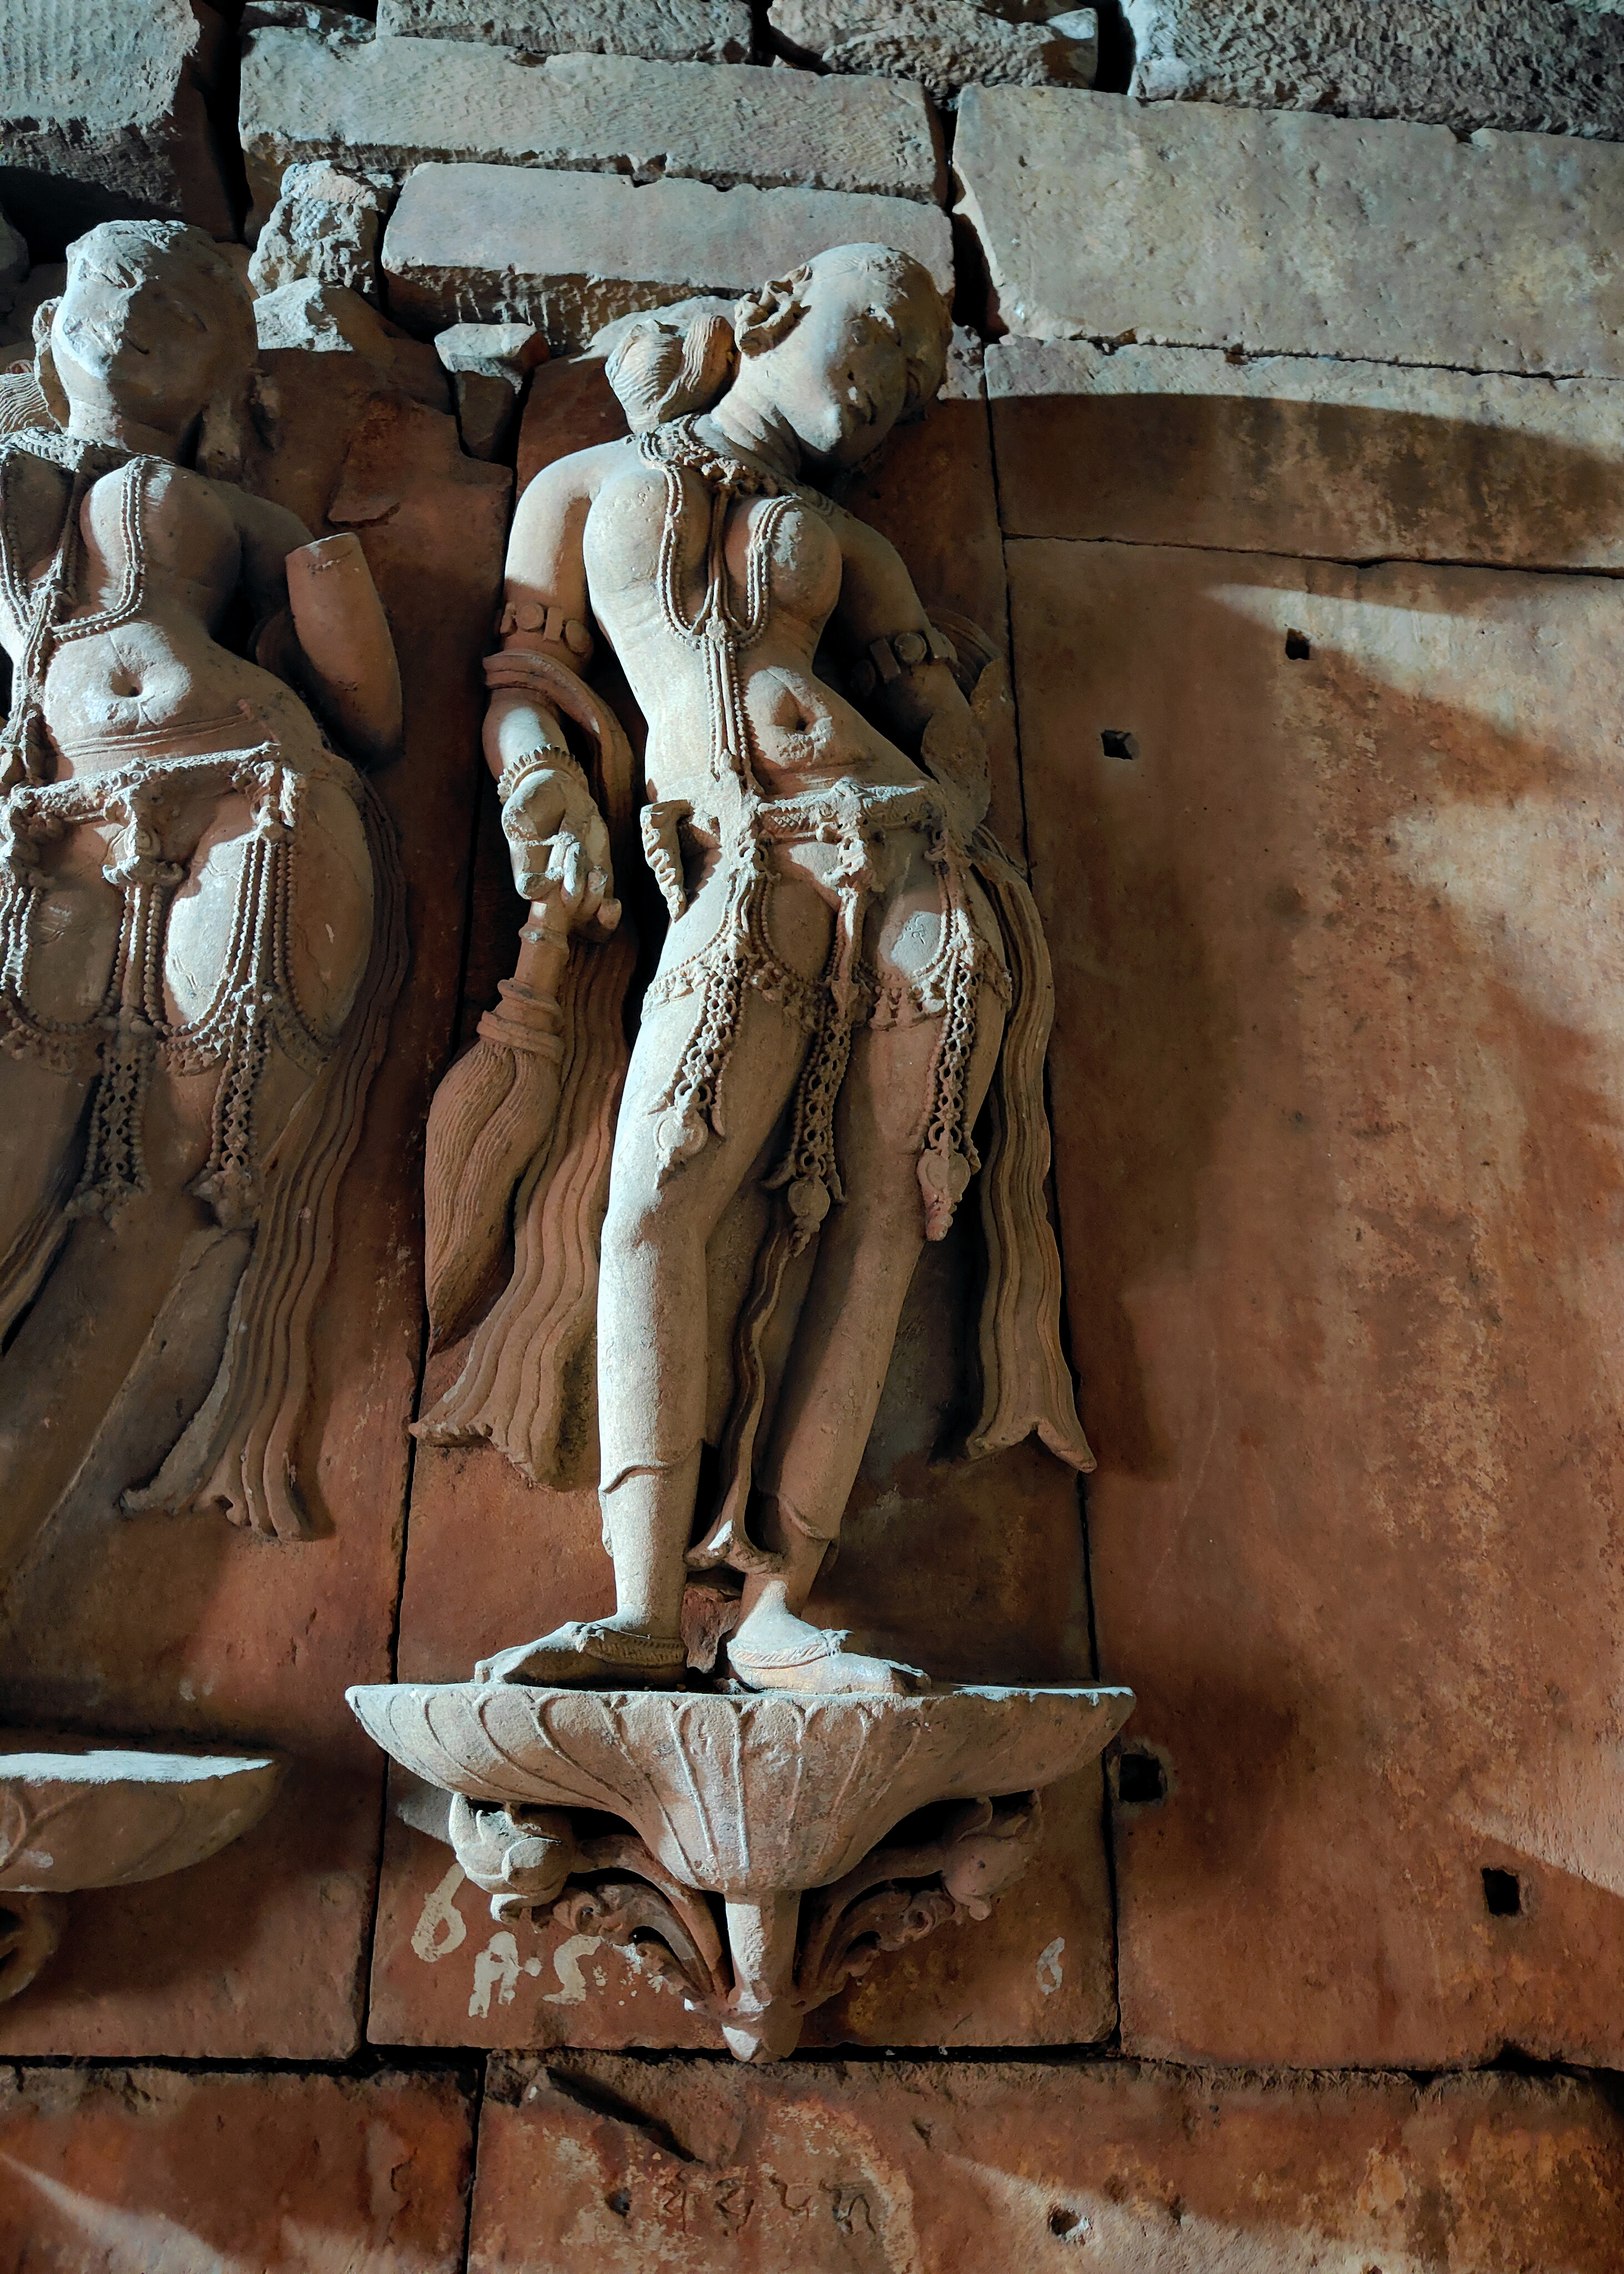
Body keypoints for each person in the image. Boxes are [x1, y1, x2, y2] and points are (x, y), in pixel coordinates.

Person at [430, 244, 1091, 1693]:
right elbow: (524, 680)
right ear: (780, 308)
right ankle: (638, 1605)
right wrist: (538, 778)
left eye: (922, 378)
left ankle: (780, 1597)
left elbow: (941, 718)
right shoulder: (582, 486)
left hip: (908, 869)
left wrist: (945, 786)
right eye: (890, 333)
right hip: (737, 866)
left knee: (882, 1217)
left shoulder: (850, 545)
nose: (901, 383)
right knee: (654, 1202)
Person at [0, 219, 404, 1564]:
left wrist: (330, 583)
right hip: (58, 829)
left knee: (167, 1177)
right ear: (51, 326)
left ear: (228, 380)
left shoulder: (236, 514)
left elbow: (373, 714)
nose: (140, 314)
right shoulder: (21, 468)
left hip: (258, 808)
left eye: (182, 308)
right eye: (114, 287)